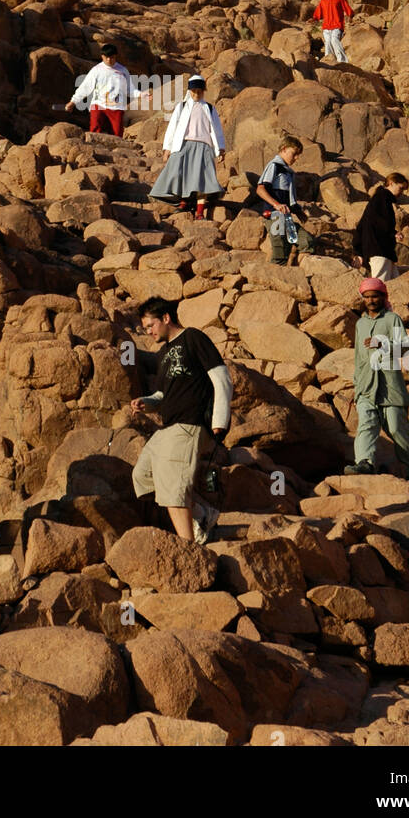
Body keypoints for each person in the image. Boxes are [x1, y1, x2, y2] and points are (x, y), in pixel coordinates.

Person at [127, 297, 232, 543]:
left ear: (166, 318)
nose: (148, 331)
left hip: (189, 424)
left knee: (175, 489)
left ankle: (188, 548)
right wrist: (147, 402)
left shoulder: (193, 338)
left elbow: (221, 377)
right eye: (145, 328)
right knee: (142, 477)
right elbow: (162, 394)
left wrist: (220, 421)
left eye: (151, 325)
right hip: (167, 427)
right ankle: (202, 515)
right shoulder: (164, 353)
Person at [344, 276, 409, 479]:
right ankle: (365, 463)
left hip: (389, 385)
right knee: (367, 425)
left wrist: (383, 344)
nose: (371, 301)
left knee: (396, 427)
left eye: (375, 296)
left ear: (383, 297)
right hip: (366, 384)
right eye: (367, 297)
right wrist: (357, 385)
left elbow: (405, 347)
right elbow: (359, 357)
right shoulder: (360, 323)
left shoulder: (392, 319)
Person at [149, 74, 227, 220]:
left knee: (202, 179)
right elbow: (173, 127)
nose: (197, 94)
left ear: (204, 91)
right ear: (189, 91)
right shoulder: (182, 106)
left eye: (200, 91)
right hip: (183, 145)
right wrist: (167, 148)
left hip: (204, 147)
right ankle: (183, 201)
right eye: (194, 91)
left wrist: (220, 148)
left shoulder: (209, 108)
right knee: (178, 174)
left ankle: (199, 211)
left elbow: (216, 129)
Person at [65, 41, 143, 137]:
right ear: (102, 56)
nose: (109, 60)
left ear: (116, 56)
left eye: (112, 57)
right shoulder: (96, 70)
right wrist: (73, 102)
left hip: (116, 107)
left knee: (117, 134)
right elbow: (85, 87)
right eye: (107, 57)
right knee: (95, 130)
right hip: (98, 104)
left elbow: (129, 90)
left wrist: (141, 94)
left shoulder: (123, 70)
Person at [256, 137, 313, 264]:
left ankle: (296, 274)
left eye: (299, 155)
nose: (297, 158)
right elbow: (260, 189)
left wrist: (299, 213)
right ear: (284, 149)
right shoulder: (274, 166)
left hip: (286, 218)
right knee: (280, 255)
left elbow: (289, 200)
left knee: (306, 241)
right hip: (274, 217)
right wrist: (276, 205)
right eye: (294, 154)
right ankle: (272, 280)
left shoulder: (288, 172)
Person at [351, 172, 409, 280]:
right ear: (391, 183)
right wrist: (394, 233)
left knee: (392, 288)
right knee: (379, 287)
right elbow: (378, 222)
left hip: (383, 252)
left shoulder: (379, 198)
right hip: (379, 250)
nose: (402, 192)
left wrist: (358, 251)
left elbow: (363, 224)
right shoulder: (382, 197)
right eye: (401, 188)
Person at [312, 0, 353, 64]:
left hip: (337, 25)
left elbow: (347, 8)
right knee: (328, 43)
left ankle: (342, 61)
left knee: (334, 40)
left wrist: (350, 15)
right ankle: (329, 61)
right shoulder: (323, 1)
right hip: (326, 26)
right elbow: (318, 13)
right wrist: (314, 19)